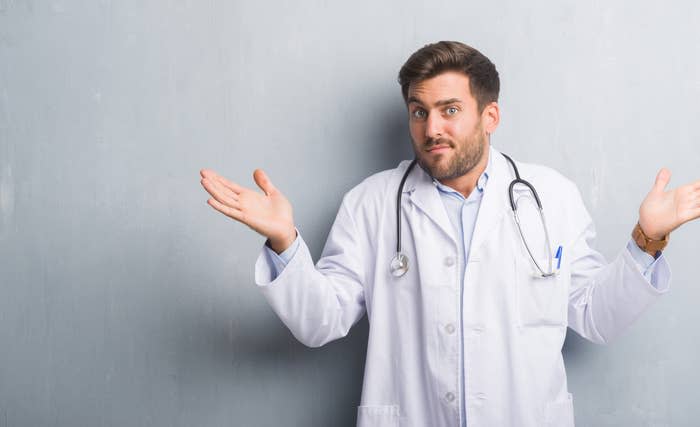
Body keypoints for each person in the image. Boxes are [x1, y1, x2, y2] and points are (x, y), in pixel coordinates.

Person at [199, 41, 700, 427]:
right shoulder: (372, 204)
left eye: (449, 110)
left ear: (490, 116)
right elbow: (319, 322)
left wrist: (646, 242)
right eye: (419, 111)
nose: (431, 127)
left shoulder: (551, 197)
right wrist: (285, 242)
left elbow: (596, 317)